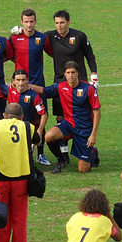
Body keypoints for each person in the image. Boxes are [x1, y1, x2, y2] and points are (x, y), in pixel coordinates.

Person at [0, 103, 40, 242]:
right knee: (19, 222)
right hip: (21, 180)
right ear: (21, 117)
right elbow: (37, 140)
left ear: (4, 115)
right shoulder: (27, 127)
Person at [45, 10, 98, 164]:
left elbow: (90, 55)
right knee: (61, 117)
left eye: (62, 23)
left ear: (68, 22)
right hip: (60, 84)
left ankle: (88, 147)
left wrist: (94, 76)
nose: (59, 26)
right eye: (56, 23)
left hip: (79, 83)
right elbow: (34, 36)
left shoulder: (79, 36)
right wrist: (20, 31)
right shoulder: (51, 36)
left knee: (82, 117)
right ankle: (64, 155)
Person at [29, 61, 101, 174]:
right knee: (49, 136)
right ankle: (61, 159)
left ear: (78, 73)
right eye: (68, 72)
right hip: (68, 124)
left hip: (84, 128)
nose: (71, 75)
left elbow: (97, 112)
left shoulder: (89, 88)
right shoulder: (61, 87)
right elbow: (43, 91)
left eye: (73, 72)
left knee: (83, 170)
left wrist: (93, 135)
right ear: (65, 74)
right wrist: (27, 85)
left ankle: (93, 152)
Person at [9, 9, 52, 165]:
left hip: (38, 84)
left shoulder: (42, 38)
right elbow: (9, 54)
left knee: (40, 117)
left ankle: (41, 153)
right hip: (20, 84)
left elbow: (53, 53)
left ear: (36, 21)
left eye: (31, 21)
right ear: (21, 22)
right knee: (18, 116)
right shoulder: (14, 37)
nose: (29, 24)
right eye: (26, 21)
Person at [7, 69, 50, 166]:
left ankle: (38, 155)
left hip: (27, 131)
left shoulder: (34, 96)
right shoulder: (9, 90)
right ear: (13, 81)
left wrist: (39, 130)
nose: (21, 83)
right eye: (18, 80)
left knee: (24, 162)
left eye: (23, 80)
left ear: (27, 81)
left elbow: (44, 114)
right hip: (11, 129)